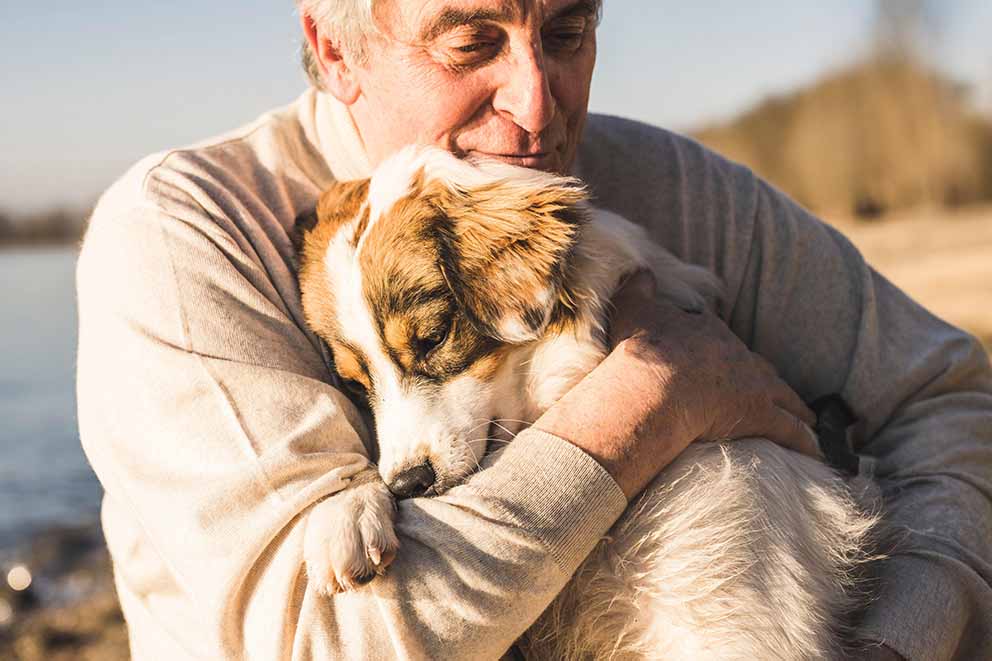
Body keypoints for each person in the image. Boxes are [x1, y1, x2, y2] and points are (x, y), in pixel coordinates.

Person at [75, 1, 992, 659]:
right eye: (471, 40)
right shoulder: (181, 233)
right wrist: (658, 391)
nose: (539, 107)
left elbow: (949, 399)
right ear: (334, 46)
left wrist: (897, 637)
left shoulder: (680, 187)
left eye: (567, 33)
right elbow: (327, 636)